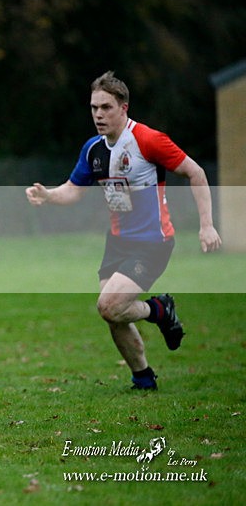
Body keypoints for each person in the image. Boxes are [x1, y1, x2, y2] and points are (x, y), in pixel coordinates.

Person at [26, 71, 222, 390]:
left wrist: (207, 225)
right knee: (113, 313)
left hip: (152, 242)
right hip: (117, 242)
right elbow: (73, 190)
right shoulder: (93, 149)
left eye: (105, 107)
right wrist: (48, 195)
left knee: (109, 305)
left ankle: (159, 310)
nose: (99, 115)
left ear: (124, 107)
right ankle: (143, 377)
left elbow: (196, 173)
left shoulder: (148, 140)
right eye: (94, 108)